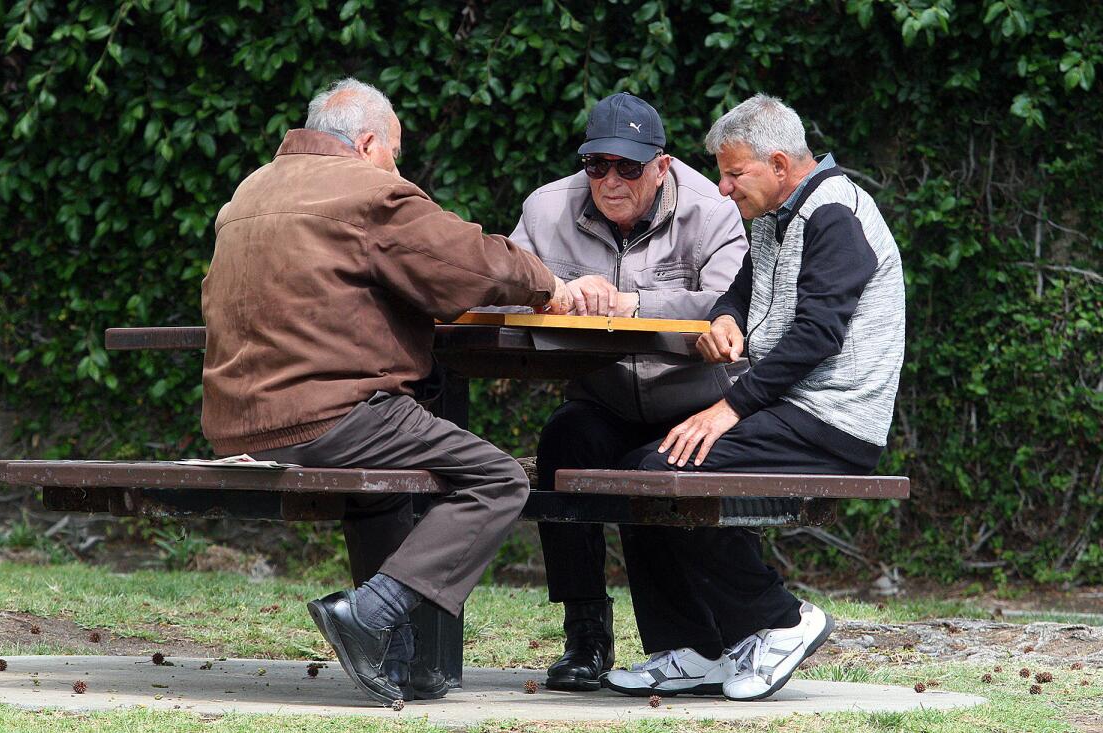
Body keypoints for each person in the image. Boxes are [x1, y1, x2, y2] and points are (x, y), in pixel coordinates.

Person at [200, 78, 572, 706]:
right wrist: (548, 284)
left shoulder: (249, 191)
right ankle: (371, 612)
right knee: (500, 479)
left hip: (237, 423)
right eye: (395, 154)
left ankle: (396, 659)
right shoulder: (367, 190)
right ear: (368, 142)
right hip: (328, 416)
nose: (398, 169)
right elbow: (472, 266)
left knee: (385, 485)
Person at [602, 93, 905, 701]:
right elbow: (739, 290)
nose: (722, 188)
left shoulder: (835, 213)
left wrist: (730, 407)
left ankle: (780, 620)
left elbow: (819, 333)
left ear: (779, 163)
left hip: (834, 422)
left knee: (666, 471)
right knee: (639, 472)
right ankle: (691, 649)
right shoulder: (774, 216)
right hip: (785, 407)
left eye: (733, 173)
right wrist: (724, 319)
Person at [508, 91, 748, 691]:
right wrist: (555, 293)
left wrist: (629, 303)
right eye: (596, 166)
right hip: (604, 397)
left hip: (693, 398)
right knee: (564, 444)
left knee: (672, 462)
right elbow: (501, 281)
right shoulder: (544, 209)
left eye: (628, 167)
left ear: (662, 166)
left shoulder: (711, 209)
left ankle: (733, 634)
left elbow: (732, 304)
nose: (609, 181)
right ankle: (585, 631)